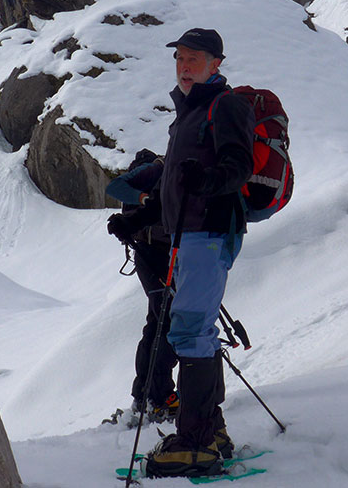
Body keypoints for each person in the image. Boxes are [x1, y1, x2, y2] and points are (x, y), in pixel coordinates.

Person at [108, 27, 255, 478]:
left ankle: (195, 441)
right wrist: (140, 218)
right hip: (188, 233)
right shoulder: (187, 114)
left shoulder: (224, 104)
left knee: (189, 329)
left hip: (209, 232)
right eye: (180, 59)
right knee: (196, 330)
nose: (185, 66)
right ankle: (212, 431)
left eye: (195, 58)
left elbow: (239, 164)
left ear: (216, 63)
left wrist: (209, 182)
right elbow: (173, 182)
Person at [105, 149, 179, 425]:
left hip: (149, 254)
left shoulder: (159, 168)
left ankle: (145, 395)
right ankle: (159, 397)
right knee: (167, 324)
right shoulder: (162, 168)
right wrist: (145, 199)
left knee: (157, 322)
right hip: (158, 255)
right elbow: (115, 187)